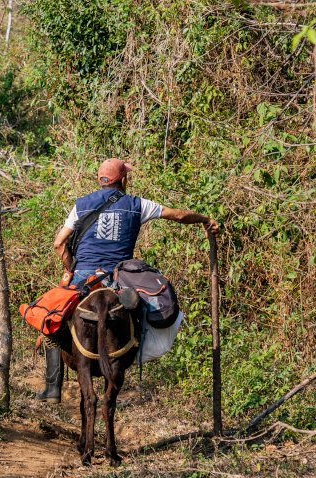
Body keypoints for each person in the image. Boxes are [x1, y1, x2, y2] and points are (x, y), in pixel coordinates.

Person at [36, 158, 219, 403]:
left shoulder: (81, 204)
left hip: (83, 278)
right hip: (119, 278)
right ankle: (131, 353)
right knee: (146, 307)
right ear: (123, 180)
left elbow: (60, 243)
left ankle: (52, 387)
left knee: (51, 318)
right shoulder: (137, 204)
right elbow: (178, 215)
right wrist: (205, 219)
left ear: (100, 180)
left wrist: (72, 269)